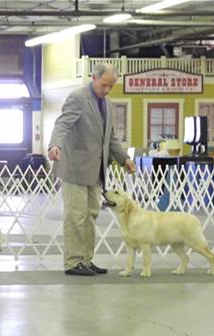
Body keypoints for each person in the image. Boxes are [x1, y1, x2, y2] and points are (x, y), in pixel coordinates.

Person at [48, 63, 135, 276]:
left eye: (111, 86)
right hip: (75, 168)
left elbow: (110, 138)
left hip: (96, 170)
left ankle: (86, 259)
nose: (107, 90)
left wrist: (124, 159)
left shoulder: (108, 103)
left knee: (91, 216)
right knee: (75, 216)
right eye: (104, 85)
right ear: (94, 78)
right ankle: (72, 262)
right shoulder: (77, 98)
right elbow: (62, 124)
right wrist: (54, 145)